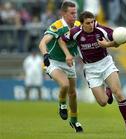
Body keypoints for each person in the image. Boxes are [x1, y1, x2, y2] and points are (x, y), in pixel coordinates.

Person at [61, 11, 126, 132]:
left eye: (92, 21)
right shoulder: (75, 32)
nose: (91, 25)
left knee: (118, 93)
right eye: (88, 23)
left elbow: (117, 42)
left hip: (106, 63)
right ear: (81, 24)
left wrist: (107, 44)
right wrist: (67, 55)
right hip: (91, 69)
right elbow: (61, 40)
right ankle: (108, 91)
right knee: (103, 102)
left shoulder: (100, 29)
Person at [38, 1, 83, 132]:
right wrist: (45, 55)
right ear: (63, 13)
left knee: (73, 94)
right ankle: (62, 105)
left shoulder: (79, 25)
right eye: (72, 13)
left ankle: (74, 121)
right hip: (53, 62)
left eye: (76, 13)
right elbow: (42, 43)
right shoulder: (56, 26)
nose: (75, 16)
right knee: (65, 85)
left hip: (69, 62)